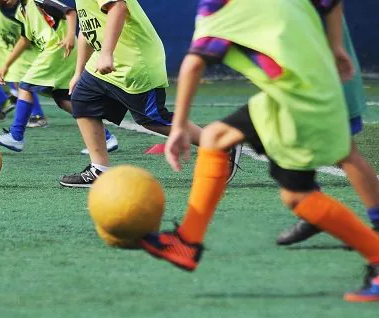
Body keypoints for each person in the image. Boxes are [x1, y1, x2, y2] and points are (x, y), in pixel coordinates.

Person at [141, 0, 379, 302]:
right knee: (216, 136)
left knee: (300, 196)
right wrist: (335, 47)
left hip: (300, 101)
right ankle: (188, 240)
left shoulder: (216, 6)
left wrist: (177, 129)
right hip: (302, 89)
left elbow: (193, 63)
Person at [60, 0, 242, 188]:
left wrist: (107, 53)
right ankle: (99, 169)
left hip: (135, 60)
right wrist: (78, 72)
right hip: (108, 60)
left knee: (153, 118)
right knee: (82, 99)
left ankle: (220, 144)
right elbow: (88, 28)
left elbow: (118, 7)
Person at [277, 17, 379, 245]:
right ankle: (315, 211)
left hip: (323, 73)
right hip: (296, 74)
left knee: (342, 150)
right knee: (291, 142)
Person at [0, 0, 118, 154]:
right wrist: (6, 65)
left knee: (25, 85)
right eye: (1, 2)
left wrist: (69, 35)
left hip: (58, 50)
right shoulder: (21, 12)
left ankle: (16, 136)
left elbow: (70, 12)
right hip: (57, 55)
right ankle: (106, 138)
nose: (6, 3)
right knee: (63, 101)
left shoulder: (38, 1)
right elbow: (25, 40)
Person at [0, 0, 46, 127]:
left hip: (22, 45)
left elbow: (27, 37)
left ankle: (38, 116)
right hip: (1, 43)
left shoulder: (23, 8)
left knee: (20, 82)